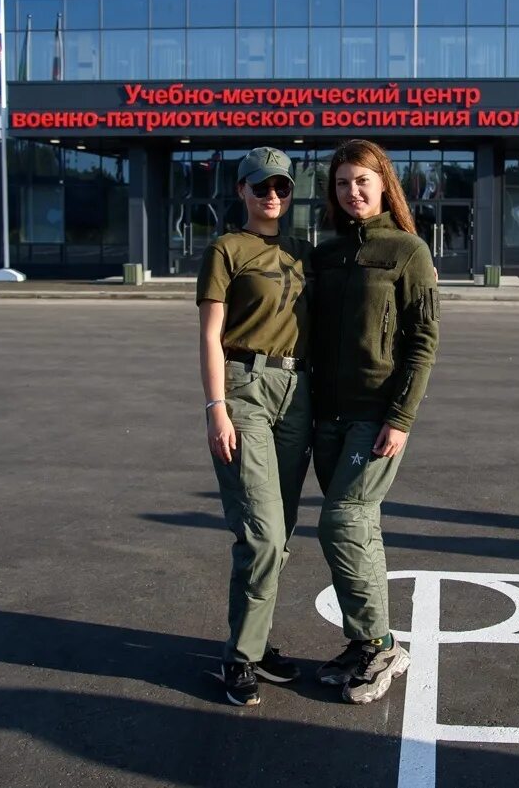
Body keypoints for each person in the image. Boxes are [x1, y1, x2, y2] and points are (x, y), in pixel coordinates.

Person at [311, 138, 439, 706]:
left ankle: (380, 642)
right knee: (362, 529)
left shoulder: (408, 252)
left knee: (341, 521)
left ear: (383, 184)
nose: (352, 191)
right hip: (327, 417)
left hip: (374, 416)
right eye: (342, 183)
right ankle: (365, 644)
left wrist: (401, 417)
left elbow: (423, 342)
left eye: (362, 180)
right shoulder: (326, 254)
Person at [196, 146, 313, 706]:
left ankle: (257, 641)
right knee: (261, 534)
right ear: (241, 190)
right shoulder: (227, 249)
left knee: (281, 534)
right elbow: (211, 335)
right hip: (245, 387)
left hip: (297, 392)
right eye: (261, 186)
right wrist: (215, 406)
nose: (273, 196)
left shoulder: (304, 251)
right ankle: (240, 658)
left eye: (282, 188)